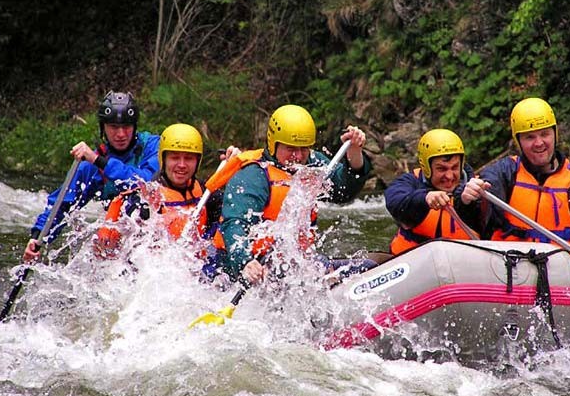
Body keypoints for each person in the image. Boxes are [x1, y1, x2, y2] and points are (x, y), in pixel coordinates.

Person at [460, 97, 570, 285]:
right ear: (518, 141)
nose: (539, 143)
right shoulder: (503, 175)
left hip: (562, 282)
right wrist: (468, 199)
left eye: (545, 134)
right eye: (530, 137)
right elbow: (476, 217)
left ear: (555, 134)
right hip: (509, 278)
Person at [219, 104, 373, 285]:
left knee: (367, 266)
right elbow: (235, 223)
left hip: (295, 262)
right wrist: (245, 262)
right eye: (291, 149)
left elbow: (343, 192)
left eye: (304, 148)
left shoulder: (313, 163)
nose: (298, 156)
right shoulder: (253, 175)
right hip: (252, 266)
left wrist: (354, 153)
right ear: (273, 143)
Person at [23, 91, 160, 263]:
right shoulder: (89, 167)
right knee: (103, 245)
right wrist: (37, 237)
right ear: (103, 127)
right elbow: (62, 204)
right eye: (113, 127)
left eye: (126, 126)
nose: (121, 134)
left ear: (135, 126)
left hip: (155, 230)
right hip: (119, 238)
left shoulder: (153, 146)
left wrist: (100, 161)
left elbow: (144, 182)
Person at [94, 124, 237, 266]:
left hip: (196, 272)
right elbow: (108, 255)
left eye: (188, 158)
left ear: (197, 161)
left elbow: (237, 213)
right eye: (175, 158)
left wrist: (237, 167)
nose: (181, 165)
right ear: (163, 159)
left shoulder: (207, 194)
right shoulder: (142, 199)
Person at [385, 129, 479, 255]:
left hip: (464, 262)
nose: (449, 176)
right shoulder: (410, 182)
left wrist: (471, 201)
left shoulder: (476, 187)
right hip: (412, 262)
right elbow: (394, 200)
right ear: (426, 167)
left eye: (455, 167)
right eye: (441, 169)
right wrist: (425, 197)